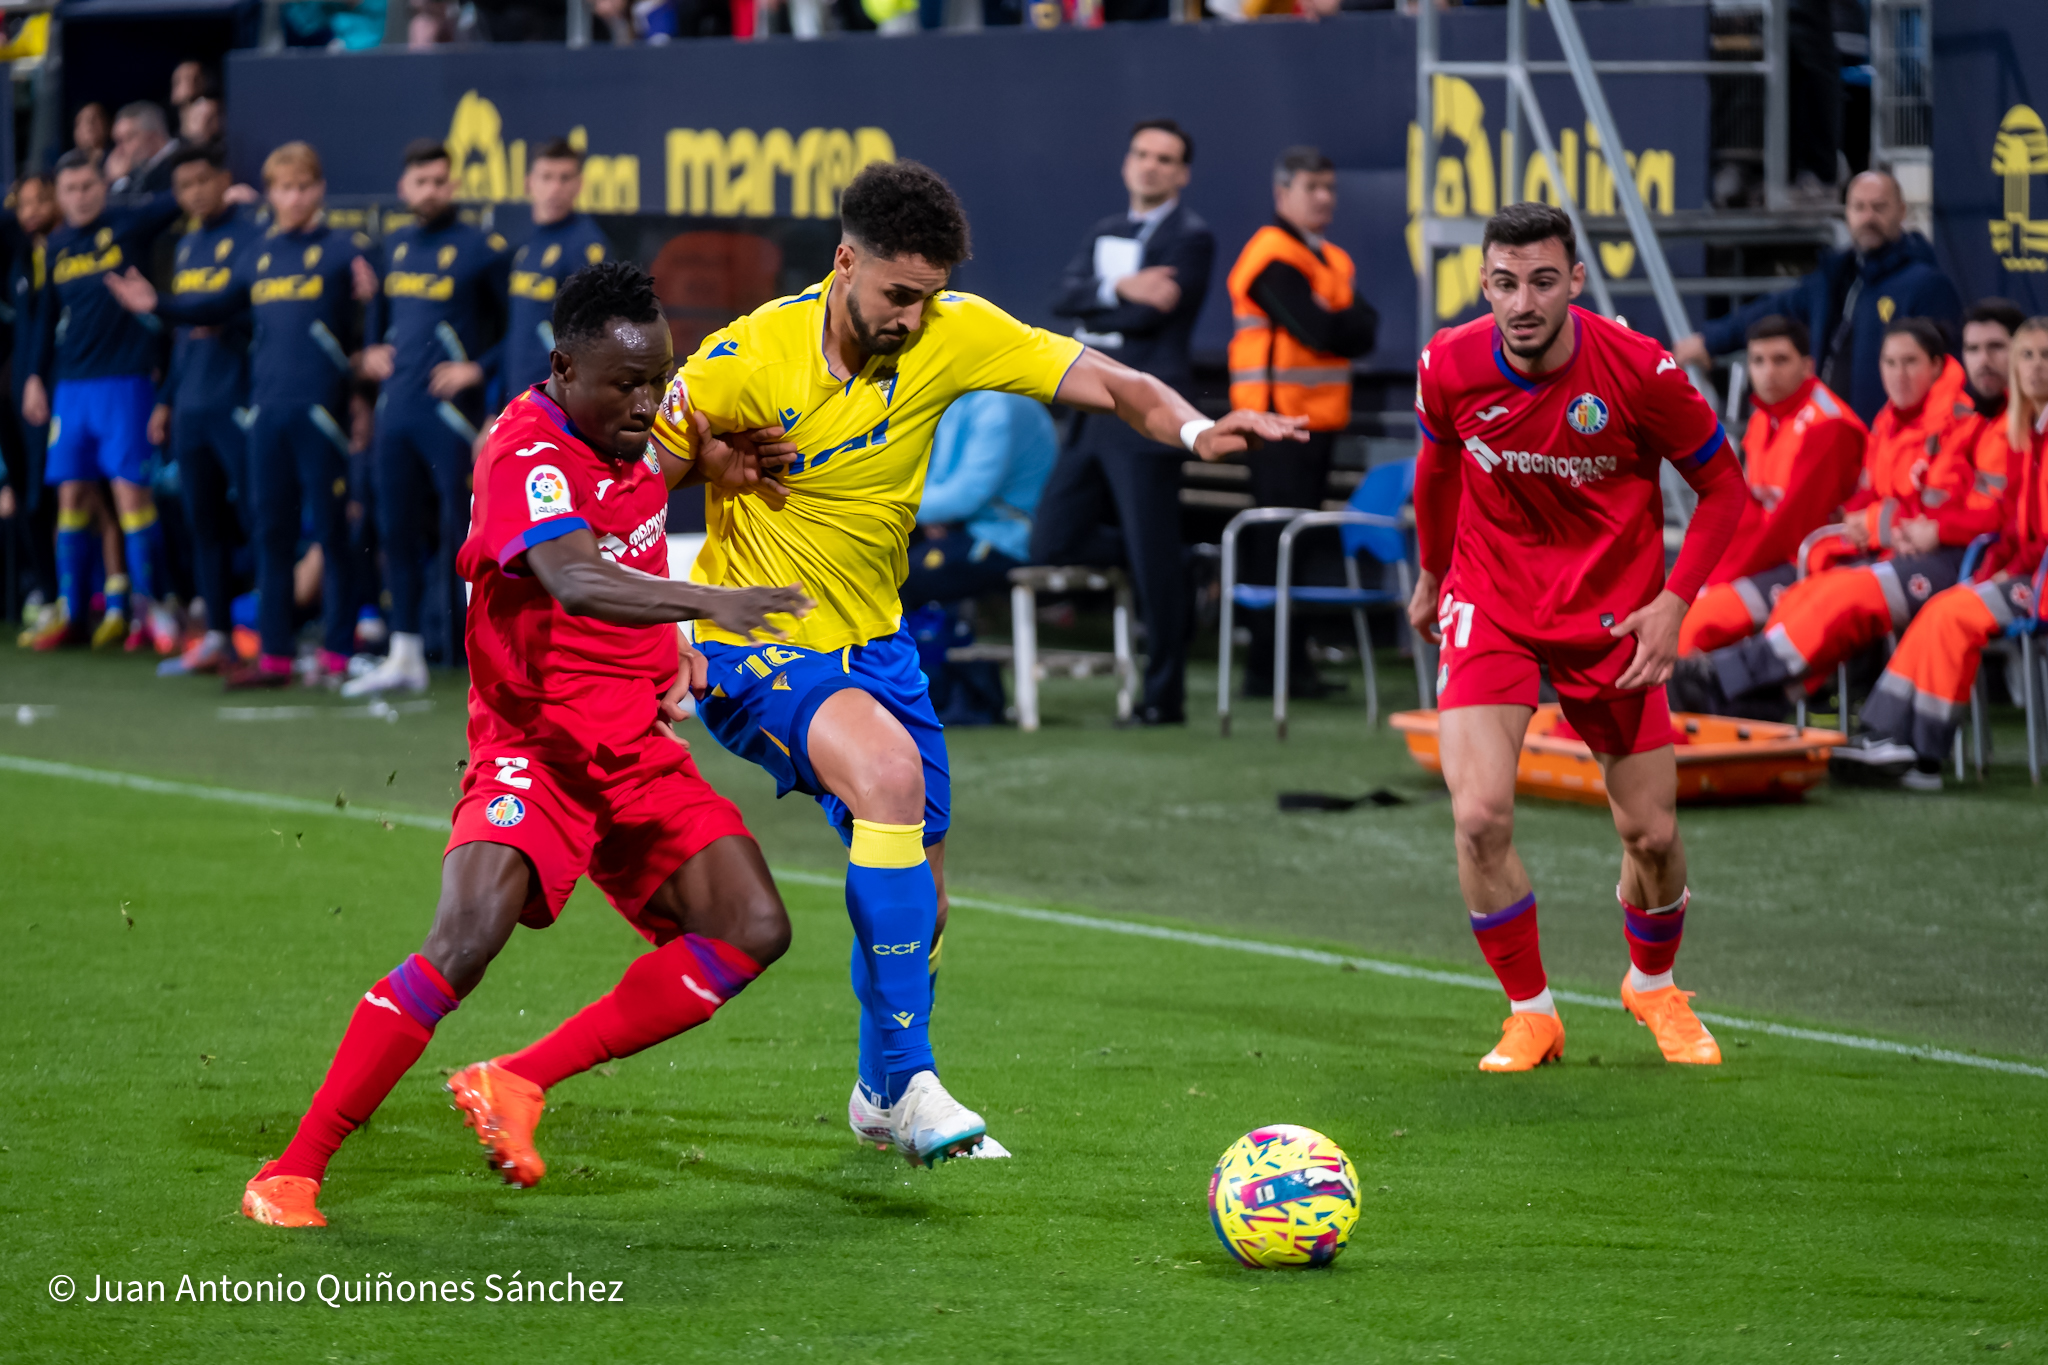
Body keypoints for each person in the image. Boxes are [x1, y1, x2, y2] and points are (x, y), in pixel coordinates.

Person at [649, 160, 1306, 1164]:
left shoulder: (950, 330)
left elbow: (1114, 382)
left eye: (927, 296)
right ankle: (917, 1086)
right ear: (844, 262)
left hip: (878, 648)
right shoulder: (745, 356)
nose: (911, 317)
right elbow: (628, 485)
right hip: (755, 641)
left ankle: (878, 1094)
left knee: (925, 896)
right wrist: (667, 600)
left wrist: (1193, 427)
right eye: (896, 294)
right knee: (888, 777)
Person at [238, 262, 812, 1228]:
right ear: (563, 367)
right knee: (464, 942)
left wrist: (711, 468)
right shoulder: (524, 448)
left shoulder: (630, 431)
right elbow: (575, 576)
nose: (648, 404)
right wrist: (711, 604)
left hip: (632, 746)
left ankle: (518, 1078)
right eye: (626, 384)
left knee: (751, 925)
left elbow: (633, 502)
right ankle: (293, 1166)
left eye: (659, 380)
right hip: (535, 746)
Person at [1408, 202, 1746, 1073]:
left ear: (1577, 281)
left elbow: (1725, 489)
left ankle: (1653, 986)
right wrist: (1433, 571)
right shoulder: (1448, 363)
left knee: (1652, 835)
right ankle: (1532, 1013)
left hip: (1614, 616)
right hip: (1492, 600)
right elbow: (1438, 466)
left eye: (1543, 281)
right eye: (1505, 282)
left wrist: (1674, 602)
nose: (1523, 302)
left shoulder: (1640, 370)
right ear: (1484, 282)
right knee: (1478, 816)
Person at [105, 141, 381, 688]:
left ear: (319, 190)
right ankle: (275, 654)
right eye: (284, 189)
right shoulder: (259, 254)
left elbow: (373, 327)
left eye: (303, 188)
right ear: (270, 194)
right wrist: (156, 303)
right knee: (271, 534)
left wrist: (364, 385)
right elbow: (214, 306)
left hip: (322, 412)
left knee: (332, 532)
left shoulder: (346, 250)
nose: (294, 198)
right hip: (266, 412)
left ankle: (337, 651)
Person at [1670, 310, 2018, 720]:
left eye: (1910, 362)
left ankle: (1724, 685)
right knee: (1804, 597)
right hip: (1861, 552)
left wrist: (1885, 525)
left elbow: (1942, 509)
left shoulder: (1956, 421)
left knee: (1739, 612)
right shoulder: (1883, 420)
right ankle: (1748, 700)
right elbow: (1870, 498)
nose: (1899, 374)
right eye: (1890, 362)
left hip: (1934, 556)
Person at [1034, 118, 1214, 726]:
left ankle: (1163, 698)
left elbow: (1150, 316)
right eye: (1142, 154)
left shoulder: (1190, 236)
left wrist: (1103, 301)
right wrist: (1120, 287)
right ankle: (1175, 559)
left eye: (1165, 158)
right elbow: (1062, 297)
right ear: (1126, 163)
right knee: (1051, 540)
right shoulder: (1106, 230)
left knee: (1152, 562)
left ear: (1182, 174)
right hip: (1092, 408)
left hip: (1147, 411)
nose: (1150, 165)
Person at [1850, 317, 2048, 789]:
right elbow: (2011, 525)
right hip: (2026, 576)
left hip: (2039, 584)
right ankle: (1892, 736)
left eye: (2046, 356)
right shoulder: (2025, 433)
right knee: (1943, 608)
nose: (2036, 367)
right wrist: (1995, 570)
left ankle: (1921, 754)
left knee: (1951, 615)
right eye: (2027, 355)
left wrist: (2011, 571)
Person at [344, 139, 509, 697]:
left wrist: (477, 370)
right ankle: (406, 652)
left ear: (453, 185)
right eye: (421, 181)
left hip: (452, 417)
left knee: (465, 534)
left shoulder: (482, 248)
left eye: (440, 181)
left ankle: (477, 654)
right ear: (404, 187)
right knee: (395, 529)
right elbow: (377, 323)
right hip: (397, 411)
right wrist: (368, 355)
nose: (431, 190)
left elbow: (515, 329)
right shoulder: (392, 246)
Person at [1225, 144, 1379, 698]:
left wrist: (1340, 324)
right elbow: (1321, 329)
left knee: (1300, 546)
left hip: (1315, 424)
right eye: (1311, 187)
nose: (1323, 197)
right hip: (1273, 427)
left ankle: (1293, 668)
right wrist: (1341, 322)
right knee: (1275, 545)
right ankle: (1266, 671)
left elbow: (1365, 329)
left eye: (1329, 187)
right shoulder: (1269, 253)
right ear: (1281, 193)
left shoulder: (1332, 258)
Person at [21, 151, 184, 652]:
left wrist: (233, 195)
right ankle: (72, 614)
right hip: (71, 385)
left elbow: (181, 198)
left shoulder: (128, 224)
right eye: (70, 190)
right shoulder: (56, 246)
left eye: (88, 187)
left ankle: (150, 613)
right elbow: (46, 318)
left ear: (102, 187)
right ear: (60, 196)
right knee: (70, 499)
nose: (81, 197)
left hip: (126, 381)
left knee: (132, 497)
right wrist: (34, 377)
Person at [1673, 170, 1961, 425]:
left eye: (1879, 207)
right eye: (1859, 207)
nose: (1868, 218)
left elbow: (1948, 376)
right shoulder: (1833, 279)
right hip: (1830, 437)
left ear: (1901, 211)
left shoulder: (1927, 286)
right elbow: (1772, 310)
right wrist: (1710, 341)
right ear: (1847, 213)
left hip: (1889, 444)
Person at [1676, 315, 1867, 656]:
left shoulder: (1828, 426)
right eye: (1758, 361)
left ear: (1807, 366)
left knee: (1697, 621)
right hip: (1771, 557)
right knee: (1676, 604)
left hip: (1814, 562)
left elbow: (1793, 528)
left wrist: (1722, 578)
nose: (1768, 372)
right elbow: (1745, 509)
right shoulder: (1765, 417)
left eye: (1780, 360)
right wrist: (1704, 574)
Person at [149, 147, 259, 676]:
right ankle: (217, 635)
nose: (194, 193)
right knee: (203, 524)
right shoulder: (188, 244)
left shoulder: (251, 236)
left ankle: (275, 636)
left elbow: (248, 311)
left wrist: (222, 324)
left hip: (237, 399)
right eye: (184, 186)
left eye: (201, 181)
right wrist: (167, 399)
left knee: (260, 520)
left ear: (223, 179)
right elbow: (184, 334)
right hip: (191, 404)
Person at [903, 389, 1056, 608]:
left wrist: (892, 505)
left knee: (897, 575)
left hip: (1009, 540)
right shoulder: (958, 399)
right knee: (877, 555)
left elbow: (968, 495)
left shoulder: (997, 403)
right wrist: (929, 516)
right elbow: (939, 480)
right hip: (967, 528)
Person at [500, 138, 608, 401]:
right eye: (547, 177)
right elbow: (516, 333)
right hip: (517, 395)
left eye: (565, 178)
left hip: (556, 400)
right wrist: (495, 406)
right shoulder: (525, 245)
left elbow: (594, 338)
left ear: (579, 184)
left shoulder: (587, 247)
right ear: (529, 183)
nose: (555, 188)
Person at [7, 173, 59, 645]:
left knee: (82, 497)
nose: (33, 210)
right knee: (32, 498)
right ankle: (49, 594)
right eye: (24, 204)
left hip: (68, 392)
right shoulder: (20, 262)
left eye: (42, 199)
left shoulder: (72, 254)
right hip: (24, 401)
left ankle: (113, 600)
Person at [108, 103, 178, 197]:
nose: (119, 150)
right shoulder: (139, 170)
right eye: (118, 142)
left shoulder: (179, 163)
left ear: (152, 137)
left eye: (128, 139)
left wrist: (120, 179)